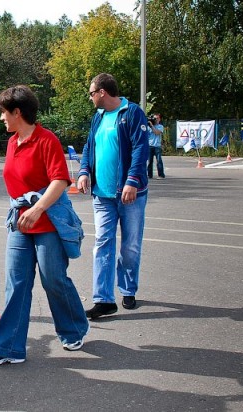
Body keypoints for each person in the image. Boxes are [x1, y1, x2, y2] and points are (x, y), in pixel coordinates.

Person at [0, 85, 89, 366]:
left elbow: (60, 181)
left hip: (47, 223)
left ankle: (73, 329)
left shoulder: (46, 140)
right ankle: (8, 348)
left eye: (4, 113)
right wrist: (22, 210)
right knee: (16, 284)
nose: (1, 118)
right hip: (20, 223)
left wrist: (38, 208)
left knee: (53, 279)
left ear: (18, 112)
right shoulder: (12, 142)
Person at [77, 73, 149, 319]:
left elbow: (141, 148)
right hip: (102, 195)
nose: (90, 97)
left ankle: (128, 290)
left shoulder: (132, 112)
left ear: (102, 93)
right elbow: (89, 146)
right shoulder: (97, 118)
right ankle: (104, 299)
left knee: (130, 245)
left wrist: (132, 181)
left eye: (91, 93)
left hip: (130, 194)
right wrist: (84, 171)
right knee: (102, 244)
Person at [147, 113, 165, 179]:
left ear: (159, 119)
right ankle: (149, 175)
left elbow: (157, 133)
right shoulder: (148, 127)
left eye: (157, 118)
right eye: (154, 118)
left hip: (157, 145)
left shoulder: (160, 126)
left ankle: (161, 175)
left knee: (159, 161)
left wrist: (152, 126)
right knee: (149, 161)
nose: (155, 120)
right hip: (150, 145)